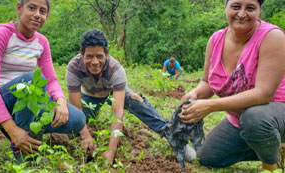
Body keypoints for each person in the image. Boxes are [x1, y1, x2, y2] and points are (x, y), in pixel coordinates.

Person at [179, 0, 285, 171]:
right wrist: (195, 95)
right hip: (242, 118)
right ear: (225, 8)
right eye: (236, 6)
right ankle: (270, 145)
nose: (242, 14)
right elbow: (208, 82)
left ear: (259, 11)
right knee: (208, 157)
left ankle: (270, 165)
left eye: (250, 8)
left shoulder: (272, 37)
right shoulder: (216, 40)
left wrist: (210, 105)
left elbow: (263, 95)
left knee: (255, 119)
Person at [0, 0, 86, 163]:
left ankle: (31, 137)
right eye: (32, 8)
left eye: (43, 11)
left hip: (26, 100)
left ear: (47, 16)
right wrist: (13, 130)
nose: (37, 15)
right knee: (31, 81)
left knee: (77, 119)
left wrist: (61, 101)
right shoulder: (1, 34)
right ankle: (22, 152)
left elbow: (51, 79)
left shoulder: (41, 42)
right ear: (19, 8)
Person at [66, 29, 195, 163]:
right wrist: (87, 136)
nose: (94, 62)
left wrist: (111, 151)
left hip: (113, 91)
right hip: (89, 95)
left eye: (99, 56)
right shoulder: (73, 68)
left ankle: (175, 138)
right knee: (75, 123)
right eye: (89, 56)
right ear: (82, 53)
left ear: (107, 53)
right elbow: (77, 108)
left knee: (137, 101)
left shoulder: (115, 69)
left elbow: (118, 112)